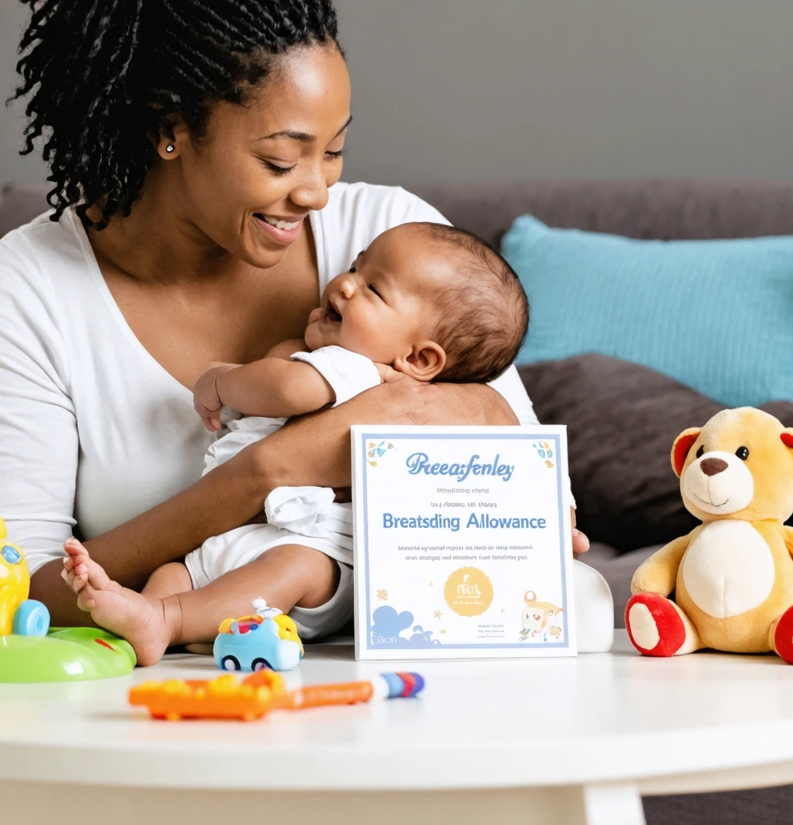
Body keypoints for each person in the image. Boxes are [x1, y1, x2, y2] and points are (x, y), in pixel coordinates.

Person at [0, 0, 588, 628]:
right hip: (162, 706)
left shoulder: (390, 239)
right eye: (282, 162)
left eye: (336, 150)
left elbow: (520, 460)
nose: (317, 191)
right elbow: (10, 594)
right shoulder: (26, 293)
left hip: (399, 693)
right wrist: (264, 473)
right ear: (170, 128)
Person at [61, 222, 529, 664]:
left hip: (320, 552)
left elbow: (287, 390)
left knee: (289, 570)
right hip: (238, 537)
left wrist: (223, 381)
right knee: (173, 575)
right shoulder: (316, 359)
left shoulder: (356, 370)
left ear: (418, 358)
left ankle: (167, 620)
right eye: (355, 266)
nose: (345, 284)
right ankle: (145, 618)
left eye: (374, 289)